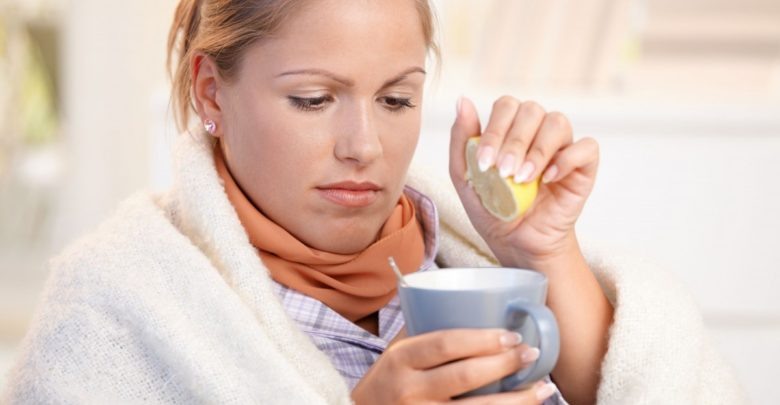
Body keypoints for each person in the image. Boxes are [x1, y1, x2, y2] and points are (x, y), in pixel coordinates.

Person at [3, 1, 744, 404]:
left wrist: (544, 252)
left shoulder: (470, 268)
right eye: (313, 99)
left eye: (396, 99)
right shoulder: (115, 307)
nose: (364, 145)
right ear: (211, 93)